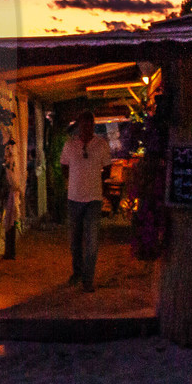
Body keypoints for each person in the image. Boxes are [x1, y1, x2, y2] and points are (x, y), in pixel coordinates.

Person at [60, 111, 113, 292]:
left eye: (89, 124)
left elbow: (107, 168)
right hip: (74, 197)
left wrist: (98, 184)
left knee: (92, 241)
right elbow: (64, 166)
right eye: (83, 124)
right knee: (75, 241)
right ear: (79, 125)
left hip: (93, 199)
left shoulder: (101, 145)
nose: (86, 127)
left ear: (93, 125)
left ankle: (87, 279)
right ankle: (77, 272)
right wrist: (74, 181)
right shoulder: (70, 145)